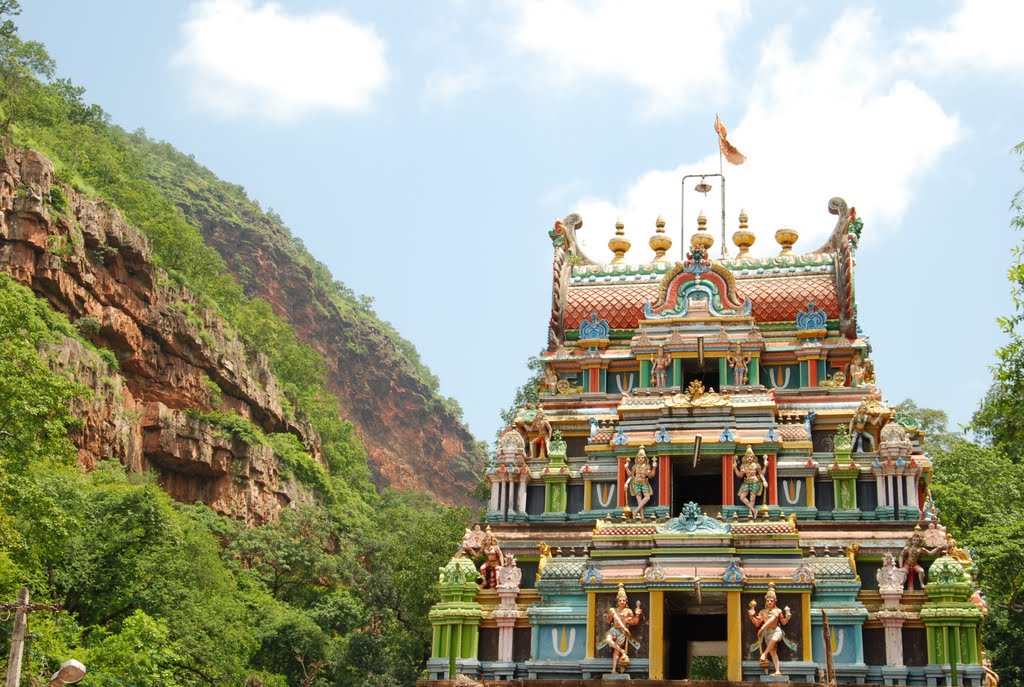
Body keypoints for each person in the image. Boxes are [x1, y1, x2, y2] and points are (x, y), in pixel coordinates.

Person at [748, 583, 794, 676]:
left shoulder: (778, 611)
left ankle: (764, 654)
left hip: (776, 630)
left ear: (774, 602)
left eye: (771, 601)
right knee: (773, 651)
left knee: (774, 639)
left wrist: (788, 617)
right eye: (768, 600)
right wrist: (752, 616)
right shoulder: (762, 612)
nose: (769, 602)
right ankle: (777, 671)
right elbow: (757, 623)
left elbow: (783, 622)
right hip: (767, 633)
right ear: (765, 601)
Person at [604, 583, 642, 674]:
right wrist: (607, 617)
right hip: (614, 629)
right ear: (617, 601)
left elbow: (634, 622)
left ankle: (613, 670)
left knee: (616, 653)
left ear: (626, 601)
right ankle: (622, 651)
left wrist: (637, 615)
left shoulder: (628, 611)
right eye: (620, 600)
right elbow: (609, 621)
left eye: (624, 600)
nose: (622, 602)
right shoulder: (613, 610)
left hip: (621, 633)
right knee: (608, 640)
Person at [899, 525, 941, 590]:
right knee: (904, 572)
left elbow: (929, 553)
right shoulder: (908, 548)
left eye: (917, 540)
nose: (915, 542)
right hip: (907, 564)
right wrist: (901, 567)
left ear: (919, 541)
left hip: (915, 564)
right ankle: (901, 584)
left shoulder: (920, 549)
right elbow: (901, 556)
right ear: (912, 540)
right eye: (914, 540)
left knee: (921, 571)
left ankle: (922, 584)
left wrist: (937, 548)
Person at [733, 446, 767, 517]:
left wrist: (764, 481)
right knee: (742, 497)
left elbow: (761, 474)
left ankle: (751, 513)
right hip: (747, 482)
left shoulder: (756, 465)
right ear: (745, 458)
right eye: (748, 457)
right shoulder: (743, 466)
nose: (749, 458)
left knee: (752, 499)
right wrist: (735, 468)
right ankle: (754, 510)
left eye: (751, 457)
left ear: (753, 458)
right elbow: (740, 475)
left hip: (755, 482)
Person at [626, 446, 657, 519]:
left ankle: (635, 511)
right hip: (636, 483)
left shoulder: (646, 466)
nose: (641, 459)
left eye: (642, 457)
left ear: (645, 459)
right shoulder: (635, 466)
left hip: (644, 483)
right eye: (639, 457)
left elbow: (651, 475)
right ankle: (642, 517)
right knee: (639, 501)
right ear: (637, 458)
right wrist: (626, 468)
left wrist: (654, 468)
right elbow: (630, 474)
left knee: (647, 497)